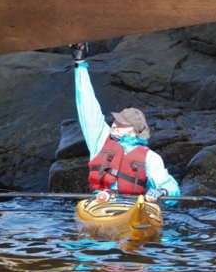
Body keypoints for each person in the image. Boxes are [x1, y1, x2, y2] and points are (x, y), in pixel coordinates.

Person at [70, 42, 180, 204]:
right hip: (101, 202)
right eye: (116, 121)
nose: (115, 125)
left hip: (133, 206)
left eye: (122, 124)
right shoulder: (100, 140)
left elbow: (170, 185)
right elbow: (87, 105)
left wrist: (162, 191)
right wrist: (80, 65)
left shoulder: (150, 158)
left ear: (134, 131)